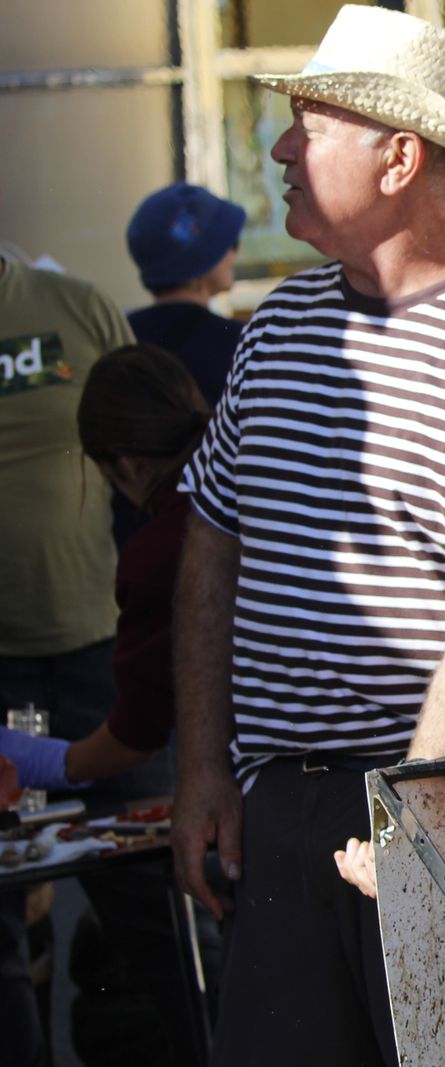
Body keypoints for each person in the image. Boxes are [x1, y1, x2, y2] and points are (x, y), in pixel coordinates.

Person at [170, 6, 445, 1065]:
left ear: (400, 155)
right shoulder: (276, 328)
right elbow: (210, 550)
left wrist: (416, 817)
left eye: (309, 126)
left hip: (433, 807)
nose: (279, 150)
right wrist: (201, 770)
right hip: (284, 802)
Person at [0, 251, 134, 1067]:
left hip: (101, 653)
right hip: (1, 673)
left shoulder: (71, 306)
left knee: (150, 894)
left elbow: (162, 462)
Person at [0, 343, 208, 787]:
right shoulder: (259, 486)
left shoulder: (161, 552)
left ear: (128, 465)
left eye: (109, 479)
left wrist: (48, 763)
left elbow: (139, 731)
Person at [124, 183, 245, 407]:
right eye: (229, 243)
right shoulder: (238, 345)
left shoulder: (122, 337)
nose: (235, 252)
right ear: (201, 259)